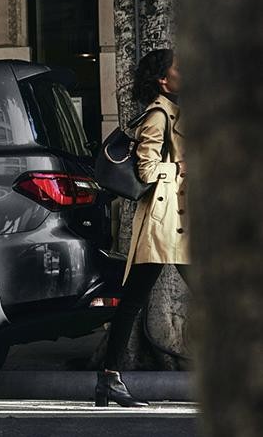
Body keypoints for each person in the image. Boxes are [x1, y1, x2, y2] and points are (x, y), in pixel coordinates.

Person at [96, 49, 187, 407]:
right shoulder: (157, 115)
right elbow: (148, 172)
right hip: (162, 224)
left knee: (133, 300)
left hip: (177, 222)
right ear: (163, 80)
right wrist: (179, 167)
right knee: (133, 301)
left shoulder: (176, 112)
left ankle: (108, 378)